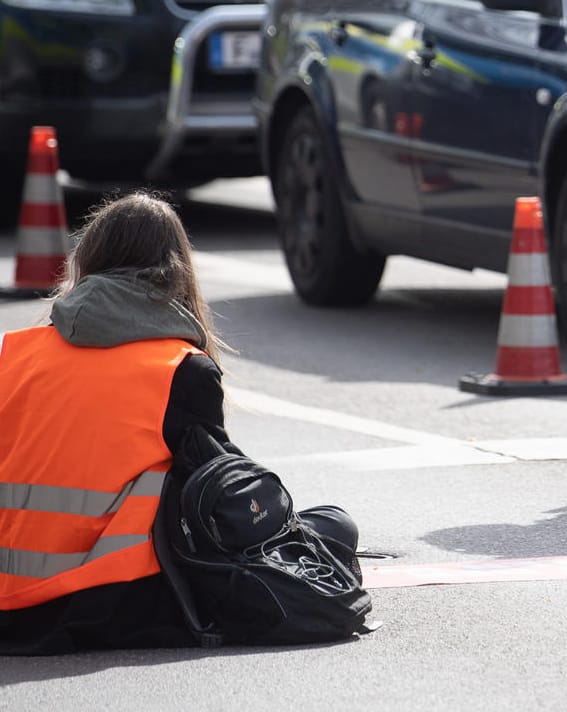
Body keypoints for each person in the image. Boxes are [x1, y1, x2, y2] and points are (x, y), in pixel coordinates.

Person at [0, 192, 358, 654]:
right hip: (115, 598)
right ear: (178, 270)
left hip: (7, 602)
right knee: (334, 528)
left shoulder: (14, 353)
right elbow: (223, 503)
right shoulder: (179, 369)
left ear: (86, 263)